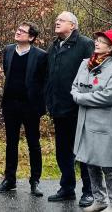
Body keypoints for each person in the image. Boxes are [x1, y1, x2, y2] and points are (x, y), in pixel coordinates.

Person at [0, 21, 49, 197]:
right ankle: (10, 180)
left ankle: (35, 181)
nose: (17, 32)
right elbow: (8, 73)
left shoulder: (40, 55)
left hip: (30, 106)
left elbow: (44, 82)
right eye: (17, 29)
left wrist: (40, 106)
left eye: (22, 31)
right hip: (10, 105)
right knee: (11, 143)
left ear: (31, 37)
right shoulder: (8, 51)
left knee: (33, 143)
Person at [72, 29, 112, 212]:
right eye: (97, 40)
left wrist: (82, 98)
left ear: (110, 48)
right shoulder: (85, 64)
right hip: (86, 123)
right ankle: (99, 200)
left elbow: (108, 97)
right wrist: (78, 94)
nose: (97, 43)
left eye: (102, 41)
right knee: (90, 162)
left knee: (109, 166)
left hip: (105, 125)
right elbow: (74, 87)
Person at [45, 11, 94, 206]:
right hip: (58, 108)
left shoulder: (85, 44)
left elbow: (92, 74)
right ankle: (67, 188)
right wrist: (48, 100)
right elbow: (49, 76)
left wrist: (84, 99)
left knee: (83, 151)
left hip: (78, 108)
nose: (56, 22)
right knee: (63, 151)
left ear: (72, 25)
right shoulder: (54, 46)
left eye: (61, 20)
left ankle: (89, 191)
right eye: (56, 20)